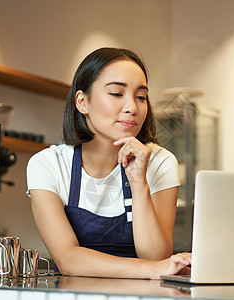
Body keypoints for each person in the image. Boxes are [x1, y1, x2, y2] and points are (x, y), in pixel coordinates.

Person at [26, 47, 191, 279]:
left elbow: (155, 256)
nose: (132, 107)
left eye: (141, 97)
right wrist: (150, 269)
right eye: (116, 93)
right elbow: (67, 259)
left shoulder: (161, 162)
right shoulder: (48, 165)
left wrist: (138, 181)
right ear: (82, 102)